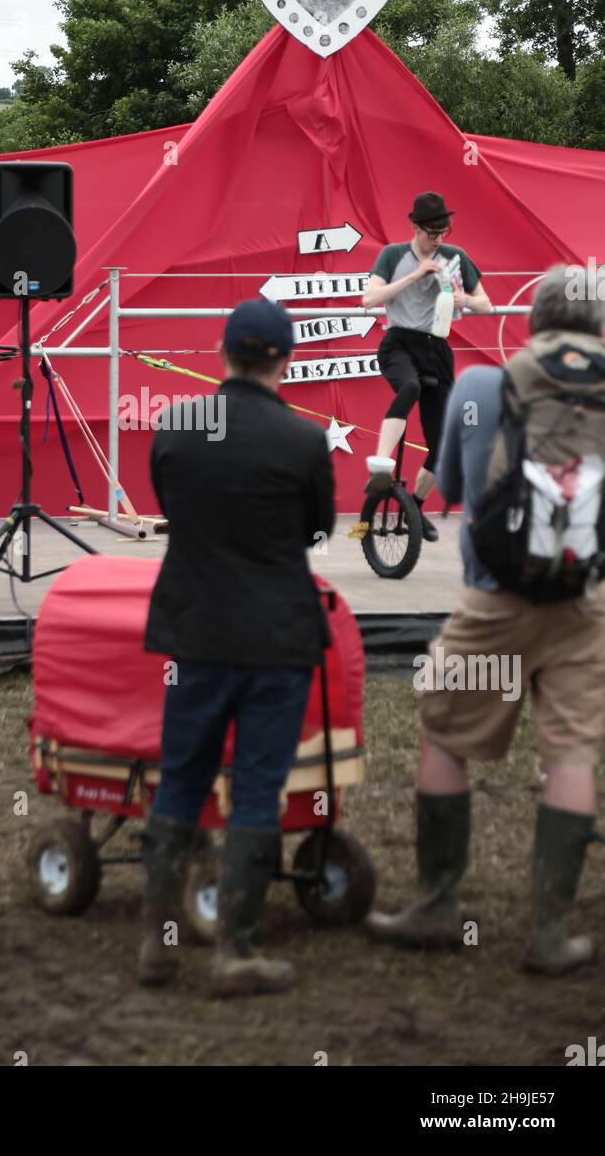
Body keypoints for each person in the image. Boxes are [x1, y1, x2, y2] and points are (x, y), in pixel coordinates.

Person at [368, 267, 605, 974]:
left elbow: (458, 486)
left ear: (533, 321)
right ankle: (549, 933)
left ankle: (438, 904)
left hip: (491, 599)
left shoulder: (480, 387)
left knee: (444, 729)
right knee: (570, 753)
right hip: (583, 604)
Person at [139, 298, 335, 998]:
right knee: (257, 787)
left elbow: (168, 506)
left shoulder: (177, 426)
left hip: (194, 630)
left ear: (223, 355)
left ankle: (156, 947)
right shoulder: (304, 440)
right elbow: (317, 529)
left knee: (182, 777)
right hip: (275, 636)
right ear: (285, 360)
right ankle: (234, 951)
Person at [361, 192, 492, 540]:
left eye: (443, 232)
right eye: (431, 232)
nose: (437, 238)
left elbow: (486, 305)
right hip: (399, 342)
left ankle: (415, 507)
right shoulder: (393, 255)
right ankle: (380, 467)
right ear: (415, 226)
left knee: (445, 442)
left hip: (436, 346)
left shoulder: (456, 256)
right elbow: (369, 299)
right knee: (410, 387)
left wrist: (461, 298)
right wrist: (414, 276)